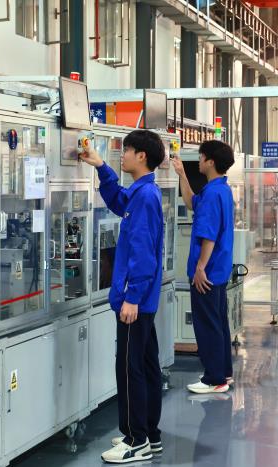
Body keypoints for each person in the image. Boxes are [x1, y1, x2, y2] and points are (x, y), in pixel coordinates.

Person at [79, 130, 166, 464]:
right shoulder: (143, 192)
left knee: (129, 369)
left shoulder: (145, 197)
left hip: (135, 301)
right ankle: (150, 434)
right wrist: (100, 166)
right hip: (142, 299)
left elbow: (143, 252)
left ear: (141, 155)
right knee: (146, 365)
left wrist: (132, 297)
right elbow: (118, 201)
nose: (123, 155)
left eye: (126, 150)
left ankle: (135, 439)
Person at [172, 140, 235, 394]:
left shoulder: (212, 194)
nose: (198, 161)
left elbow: (208, 235)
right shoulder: (220, 190)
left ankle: (213, 379)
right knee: (218, 323)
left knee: (207, 325)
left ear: (210, 161)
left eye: (200, 157)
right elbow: (190, 202)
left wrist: (200, 267)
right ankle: (223, 373)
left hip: (207, 272)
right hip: (219, 270)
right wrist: (181, 174)